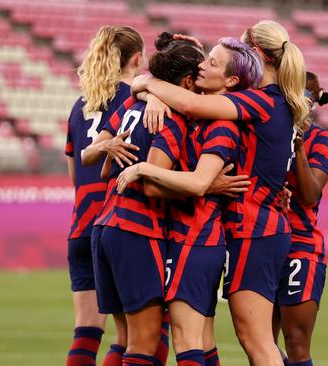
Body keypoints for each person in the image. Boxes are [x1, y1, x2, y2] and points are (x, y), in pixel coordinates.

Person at [131, 20, 309, 366]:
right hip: (258, 226)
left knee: (257, 342)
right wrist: (148, 90)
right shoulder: (277, 102)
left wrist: (148, 83)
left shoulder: (259, 101)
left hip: (255, 230)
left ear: (256, 55)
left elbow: (193, 105)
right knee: (251, 339)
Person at [116, 36, 262, 366]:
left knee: (186, 339)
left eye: (212, 62)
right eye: (204, 59)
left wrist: (143, 168)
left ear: (230, 81)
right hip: (190, 237)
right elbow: (141, 84)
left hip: (197, 238)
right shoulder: (198, 114)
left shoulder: (223, 126)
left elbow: (198, 184)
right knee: (202, 340)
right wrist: (150, 91)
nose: (202, 66)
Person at [91, 32, 205, 366]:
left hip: (107, 223)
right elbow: (154, 184)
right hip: (137, 228)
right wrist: (204, 185)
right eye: (197, 81)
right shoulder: (171, 118)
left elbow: (104, 170)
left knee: (128, 339)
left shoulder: (131, 103)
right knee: (144, 343)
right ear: (185, 80)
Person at [64, 25, 143, 366]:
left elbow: (74, 176)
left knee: (86, 333)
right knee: (138, 337)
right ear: (137, 58)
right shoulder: (137, 100)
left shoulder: (79, 106)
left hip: (81, 227)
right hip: (121, 224)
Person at [273, 72, 328, 366]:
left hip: (300, 245)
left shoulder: (323, 140)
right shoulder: (268, 130)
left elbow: (311, 194)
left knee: (297, 342)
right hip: (260, 241)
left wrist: (298, 146)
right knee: (258, 341)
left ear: (310, 103)